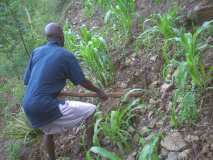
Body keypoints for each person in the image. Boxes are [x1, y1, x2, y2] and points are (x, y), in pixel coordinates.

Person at [23, 22, 108, 160]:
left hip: (28, 106)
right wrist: (99, 91)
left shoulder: (36, 52)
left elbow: (28, 82)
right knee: (91, 110)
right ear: (61, 37)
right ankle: (91, 151)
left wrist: (52, 93)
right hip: (44, 104)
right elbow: (82, 81)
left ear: (48, 37)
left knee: (48, 130)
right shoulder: (65, 55)